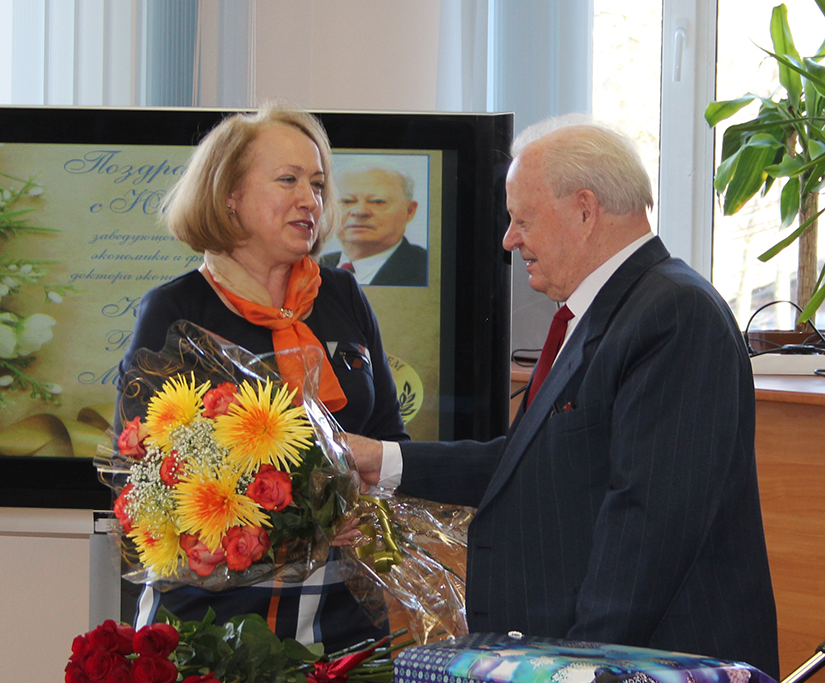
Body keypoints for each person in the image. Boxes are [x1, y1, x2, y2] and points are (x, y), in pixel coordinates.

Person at [346, 116, 780, 678]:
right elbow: (526, 465)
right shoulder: (605, 312)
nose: (509, 239)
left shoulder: (674, 313)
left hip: (642, 663)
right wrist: (384, 460)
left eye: (521, 219)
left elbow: (648, 528)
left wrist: (572, 669)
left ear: (584, 210)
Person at [116, 103, 409, 654]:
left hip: (343, 622)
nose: (310, 199)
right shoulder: (176, 311)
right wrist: (301, 527)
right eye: (288, 180)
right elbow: (148, 484)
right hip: (212, 625)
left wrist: (367, 509)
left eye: (317, 184)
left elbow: (391, 437)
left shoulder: (343, 295)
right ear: (230, 195)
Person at [320, 167, 428, 286]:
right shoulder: (317, 266)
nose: (360, 211)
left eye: (377, 201)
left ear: (409, 211)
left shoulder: (429, 270)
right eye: (347, 201)